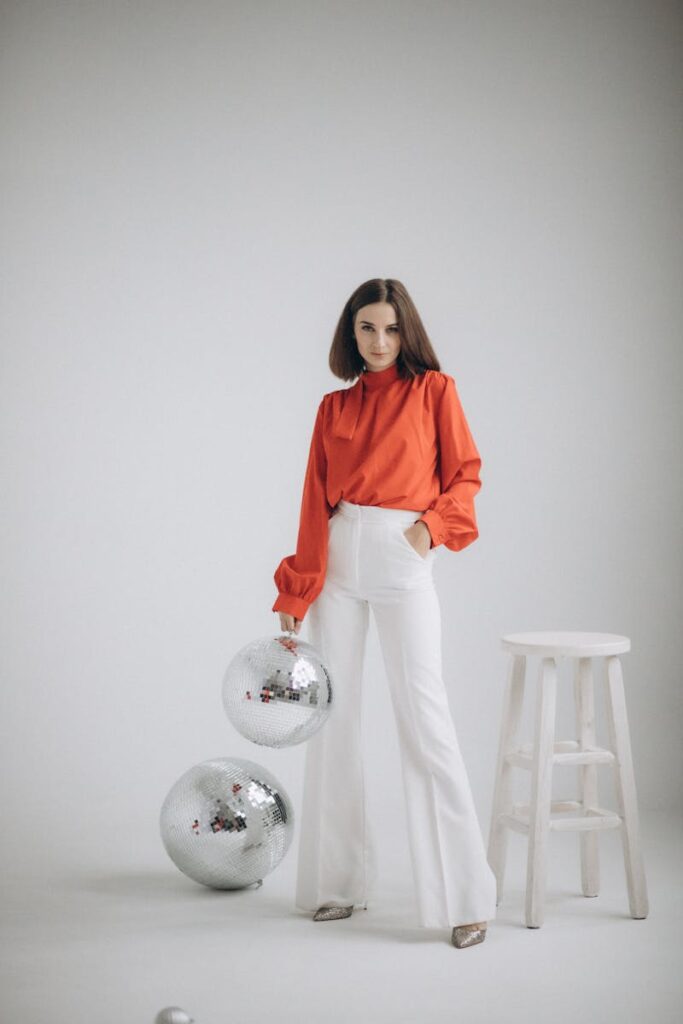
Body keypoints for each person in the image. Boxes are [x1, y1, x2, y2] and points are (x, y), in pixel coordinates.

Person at [271, 277, 496, 949]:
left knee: (423, 718)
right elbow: (314, 500)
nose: (378, 341)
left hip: (402, 555)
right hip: (340, 559)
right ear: (350, 333)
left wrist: (428, 530)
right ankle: (338, 884)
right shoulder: (331, 409)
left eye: (390, 329)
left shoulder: (434, 392)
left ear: (407, 333)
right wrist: (297, 590)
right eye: (366, 328)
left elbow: (466, 475)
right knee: (333, 718)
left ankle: (464, 897)